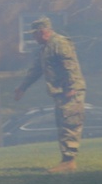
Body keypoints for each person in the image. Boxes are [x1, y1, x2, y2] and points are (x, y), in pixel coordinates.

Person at [14, 16, 87, 173]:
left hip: (70, 91)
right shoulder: (45, 48)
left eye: (34, 35)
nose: (33, 38)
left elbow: (70, 66)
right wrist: (22, 87)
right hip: (61, 91)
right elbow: (36, 70)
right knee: (62, 125)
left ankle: (69, 162)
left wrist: (71, 87)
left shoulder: (60, 43)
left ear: (42, 32)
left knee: (70, 124)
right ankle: (66, 160)